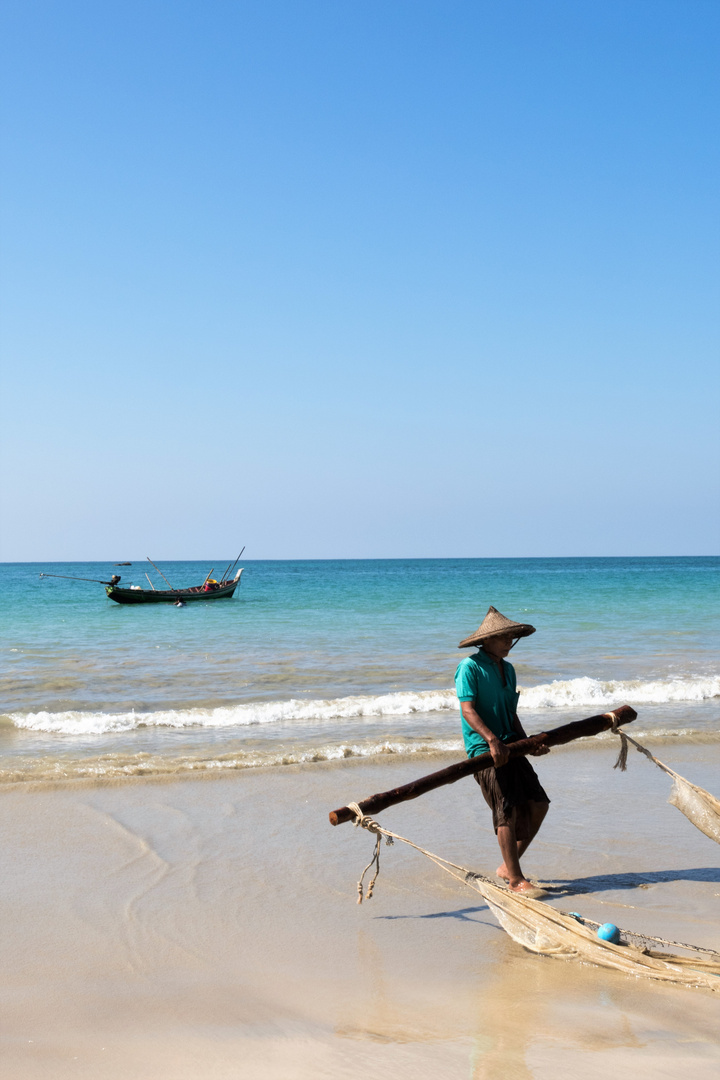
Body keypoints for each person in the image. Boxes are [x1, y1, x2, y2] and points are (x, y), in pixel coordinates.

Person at [455, 606, 550, 895]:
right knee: (505, 810)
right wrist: (492, 740)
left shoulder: (508, 669)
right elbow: (467, 710)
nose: (508, 642)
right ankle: (516, 880)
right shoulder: (469, 667)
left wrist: (528, 743)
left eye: (511, 638)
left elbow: (511, 714)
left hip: (511, 746)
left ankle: (509, 866)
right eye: (503, 638)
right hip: (485, 750)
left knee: (538, 803)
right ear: (486, 641)